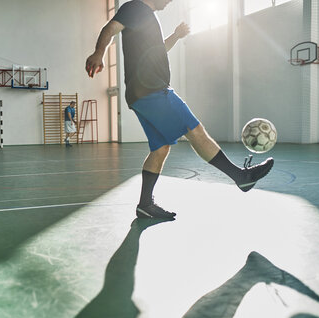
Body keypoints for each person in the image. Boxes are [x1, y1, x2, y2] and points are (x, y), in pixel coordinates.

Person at [85, 0, 274, 219]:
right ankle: (240, 177)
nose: (170, 1)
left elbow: (159, 50)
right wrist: (99, 53)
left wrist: (176, 35)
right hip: (152, 89)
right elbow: (110, 28)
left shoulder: (147, 17)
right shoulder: (135, 7)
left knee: (161, 148)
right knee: (195, 130)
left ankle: (145, 204)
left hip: (141, 94)